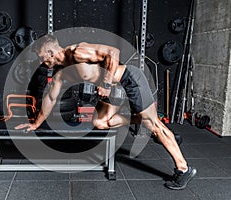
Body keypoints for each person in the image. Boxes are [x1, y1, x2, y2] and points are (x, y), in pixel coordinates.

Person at [15, 34, 197, 190]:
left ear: (51, 52)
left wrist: (106, 84)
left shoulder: (77, 51)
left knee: (154, 126)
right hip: (112, 90)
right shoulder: (61, 73)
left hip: (129, 79)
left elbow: (113, 53)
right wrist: (36, 124)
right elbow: (51, 98)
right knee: (100, 123)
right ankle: (144, 120)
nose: (41, 62)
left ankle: (183, 169)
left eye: (42, 57)